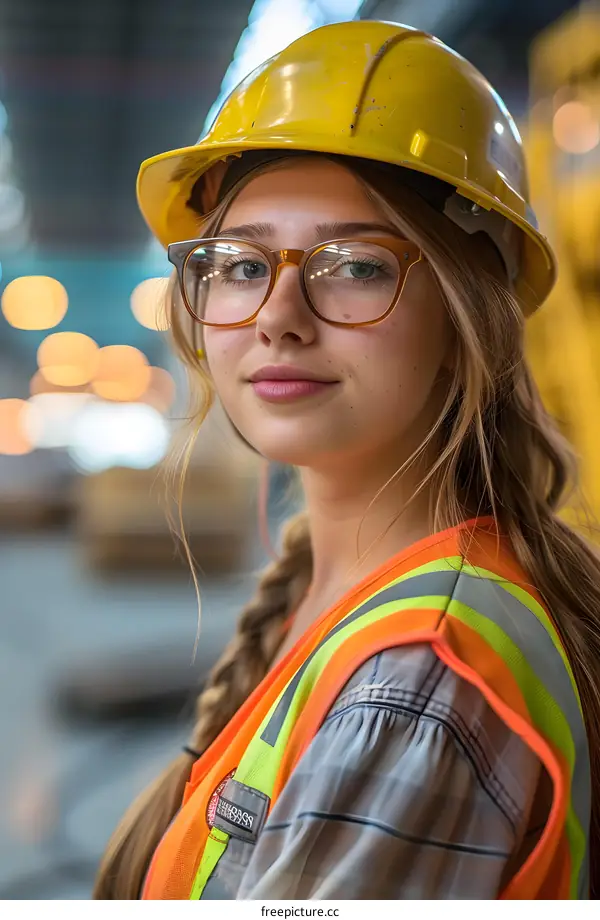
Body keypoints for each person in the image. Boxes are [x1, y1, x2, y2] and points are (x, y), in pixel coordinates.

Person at [94, 21, 598, 900]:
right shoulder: (352, 604)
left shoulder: (417, 684)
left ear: (464, 320)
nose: (278, 315)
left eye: (356, 265)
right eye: (240, 264)